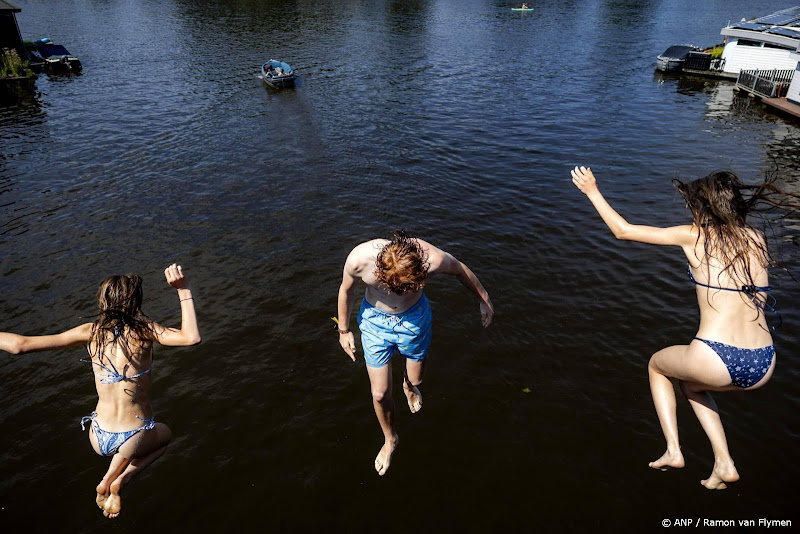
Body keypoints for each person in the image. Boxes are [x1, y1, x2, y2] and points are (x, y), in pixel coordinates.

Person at [571, 165, 789, 490]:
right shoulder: (756, 238)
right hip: (764, 362)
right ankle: (724, 463)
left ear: (703, 208)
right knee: (691, 386)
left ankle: (674, 450)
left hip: (716, 357)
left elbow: (623, 231)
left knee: (657, 367)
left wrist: (592, 191)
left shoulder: (694, 235)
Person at [0, 264, 201, 517]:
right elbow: (191, 337)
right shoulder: (145, 331)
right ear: (135, 302)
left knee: (128, 446)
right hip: (133, 436)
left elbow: (21, 345)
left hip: (97, 435)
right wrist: (183, 289)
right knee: (165, 435)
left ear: (103, 301)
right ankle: (119, 481)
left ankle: (107, 479)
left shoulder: (90, 332)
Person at [336, 230, 493, 476]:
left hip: (414, 320)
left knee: (417, 379)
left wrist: (483, 298)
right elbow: (346, 290)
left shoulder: (433, 260)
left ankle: (409, 386)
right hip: (375, 322)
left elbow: (460, 270)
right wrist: (344, 330)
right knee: (379, 393)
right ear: (380, 273)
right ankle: (391, 439)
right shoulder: (359, 259)